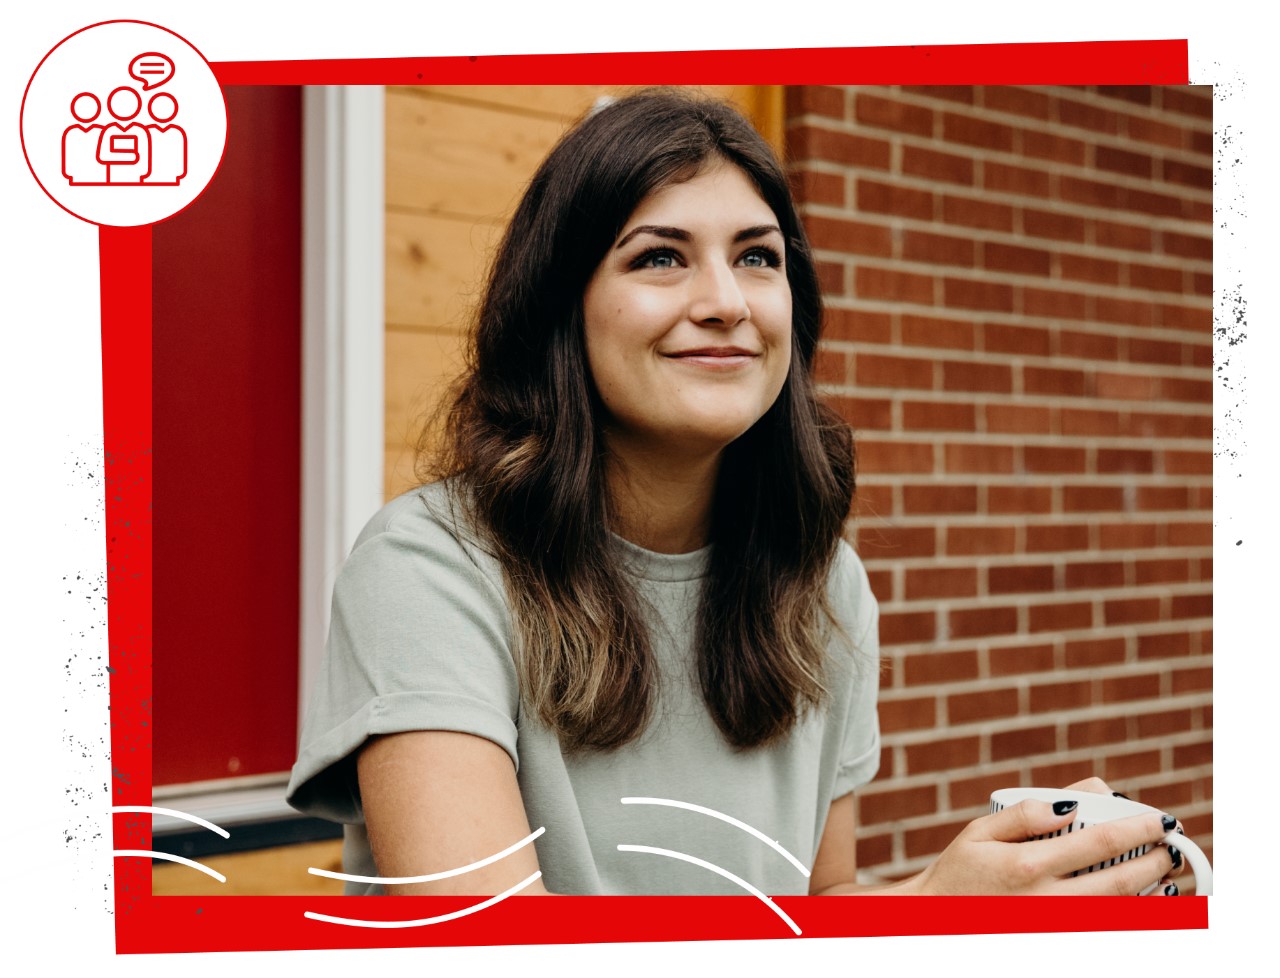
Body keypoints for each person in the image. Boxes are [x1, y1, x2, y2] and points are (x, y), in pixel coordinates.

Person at [286, 88, 1183, 898]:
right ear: (562, 308)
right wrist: (927, 916)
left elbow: (818, 905)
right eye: (660, 259)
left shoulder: (823, 582)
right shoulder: (430, 569)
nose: (727, 301)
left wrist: (1010, 884)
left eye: (758, 257)